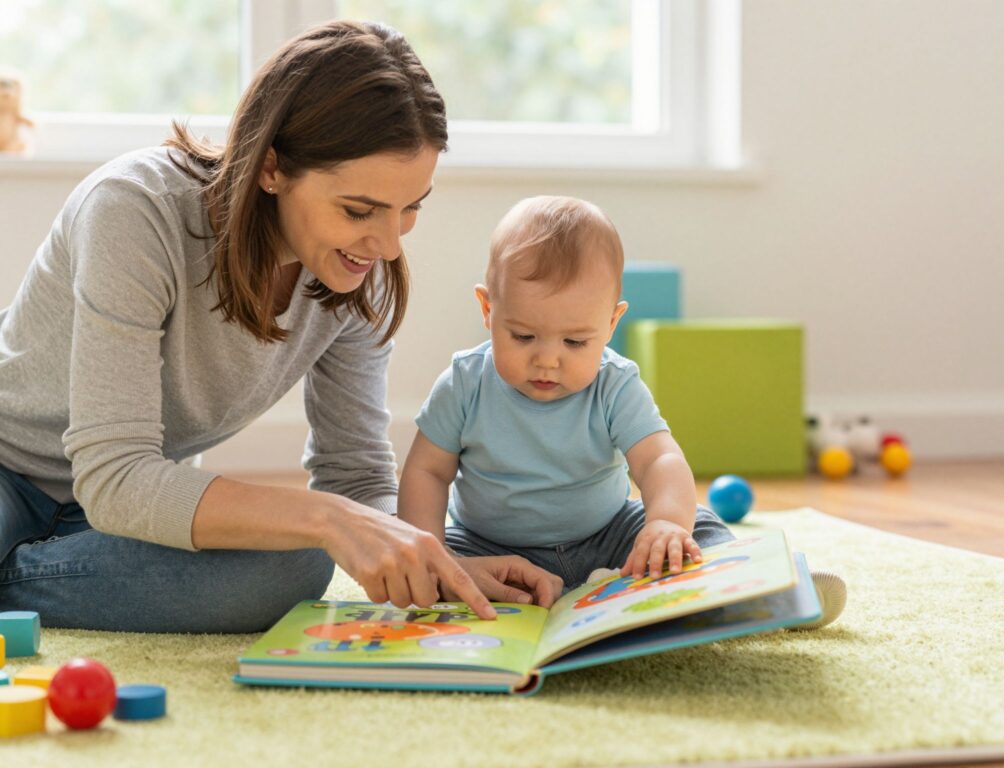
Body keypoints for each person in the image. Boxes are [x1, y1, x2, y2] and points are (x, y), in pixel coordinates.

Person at [0, 21, 562, 633]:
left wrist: (442, 559)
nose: (388, 244)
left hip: (110, 514)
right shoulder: (133, 211)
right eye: (359, 210)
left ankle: (22, 581)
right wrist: (328, 518)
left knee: (295, 564)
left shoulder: (357, 271)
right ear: (272, 167)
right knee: (314, 528)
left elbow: (355, 476)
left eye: (410, 209)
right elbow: (115, 475)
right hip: (21, 471)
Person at [398, 196, 736, 591]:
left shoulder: (615, 383)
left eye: (574, 342)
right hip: (487, 547)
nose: (547, 360)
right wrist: (431, 552)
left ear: (611, 323)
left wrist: (664, 522)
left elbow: (659, 458)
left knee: (696, 528)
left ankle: (760, 587)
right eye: (523, 336)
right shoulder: (464, 383)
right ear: (488, 309)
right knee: (440, 566)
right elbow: (427, 471)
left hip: (608, 536)